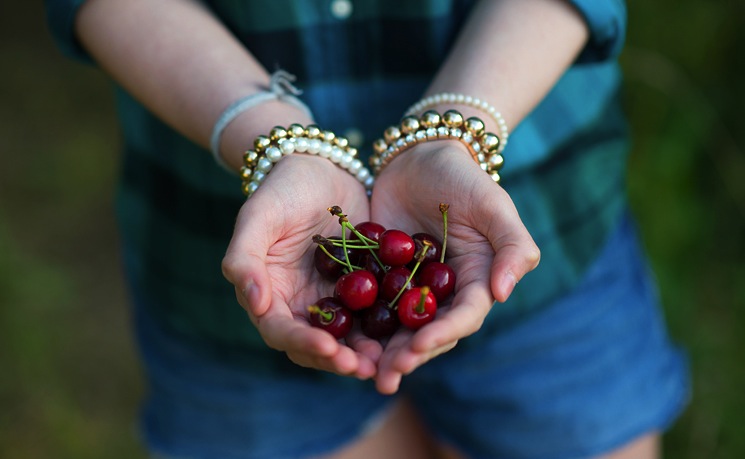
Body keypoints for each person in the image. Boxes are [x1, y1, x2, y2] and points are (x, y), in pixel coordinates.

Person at [45, 0, 689, 457]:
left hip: (545, 233)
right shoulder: (361, 268)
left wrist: (455, 132)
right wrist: (272, 141)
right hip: (231, 274)